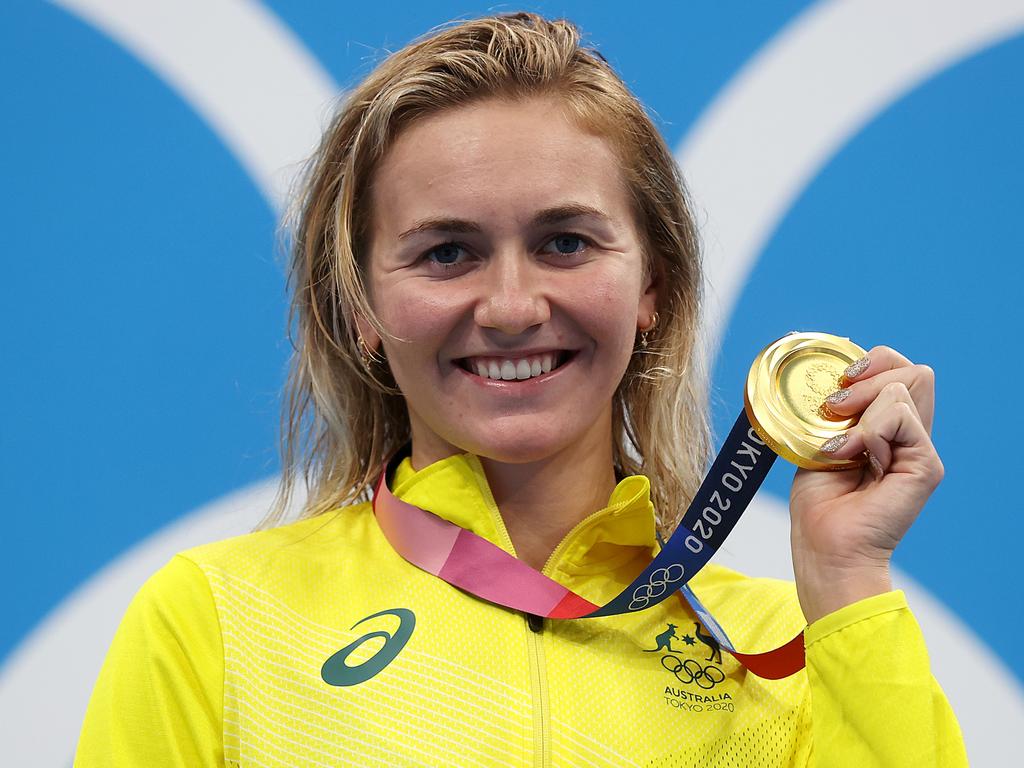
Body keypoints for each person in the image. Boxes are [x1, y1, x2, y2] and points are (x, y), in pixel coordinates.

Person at [75, 11, 968, 766]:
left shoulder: (786, 646)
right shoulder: (218, 622)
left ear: (652, 283)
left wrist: (847, 580)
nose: (509, 306)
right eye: (447, 253)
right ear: (361, 307)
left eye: (566, 242)